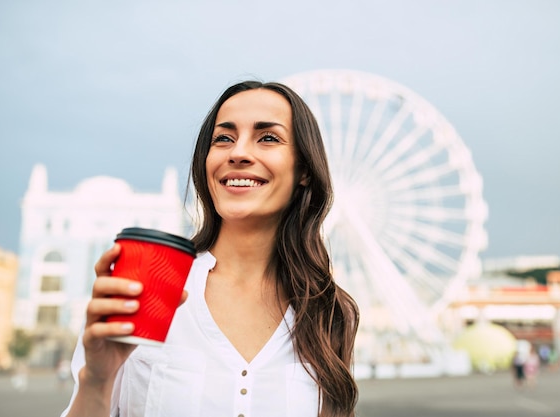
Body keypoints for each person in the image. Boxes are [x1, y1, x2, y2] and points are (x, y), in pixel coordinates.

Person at [60, 81, 360, 417]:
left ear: (304, 169)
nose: (238, 153)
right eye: (224, 139)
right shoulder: (148, 288)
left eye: (268, 138)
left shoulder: (327, 312)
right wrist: (97, 380)